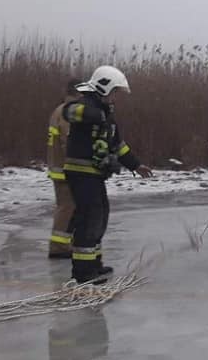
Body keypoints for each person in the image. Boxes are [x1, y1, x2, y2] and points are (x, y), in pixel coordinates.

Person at [62, 66, 153, 284]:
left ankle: (94, 264)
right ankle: (83, 272)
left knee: (100, 216)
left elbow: (118, 146)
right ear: (104, 87)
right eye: (115, 92)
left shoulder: (108, 115)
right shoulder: (85, 105)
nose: (116, 98)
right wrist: (95, 114)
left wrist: (136, 165)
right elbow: (69, 111)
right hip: (80, 172)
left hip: (94, 175)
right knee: (89, 218)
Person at [47, 79, 82, 259]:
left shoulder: (58, 110)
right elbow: (69, 141)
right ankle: (59, 246)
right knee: (67, 207)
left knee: (67, 206)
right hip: (65, 169)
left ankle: (62, 243)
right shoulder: (68, 113)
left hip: (58, 167)